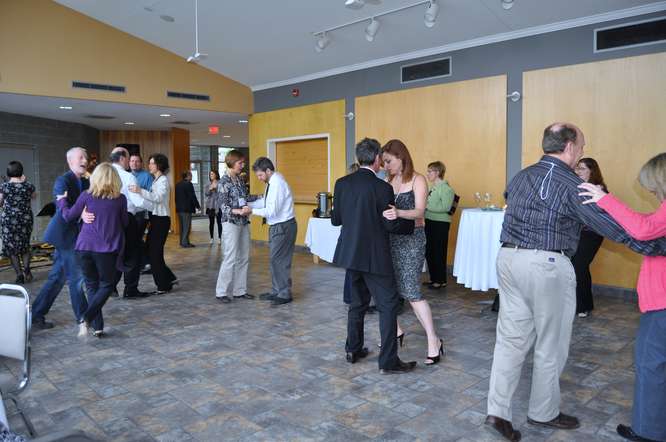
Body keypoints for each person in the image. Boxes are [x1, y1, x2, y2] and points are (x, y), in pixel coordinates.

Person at [485, 123, 666, 442]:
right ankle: (543, 412)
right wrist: (656, 247)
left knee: (510, 341)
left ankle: (497, 412)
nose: (582, 151)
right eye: (581, 145)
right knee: (550, 343)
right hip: (546, 265)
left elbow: (508, 198)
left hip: (508, 260)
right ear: (568, 146)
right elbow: (611, 227)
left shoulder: (522, 176)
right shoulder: (572, 184)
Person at [579, 153, 666, 442]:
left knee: (650, 365)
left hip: (662, 303)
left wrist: (605, 201)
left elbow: (643, 230)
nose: (650, 191)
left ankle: (648, 431)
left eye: (651, 185)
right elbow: (647, 223)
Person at [332, 137, 416, 374]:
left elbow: (336, 220)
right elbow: (390, 224)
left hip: (350, 254)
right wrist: (411, 224)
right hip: (375, 256)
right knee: (388, 306)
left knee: (357, 303)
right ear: (377, 159)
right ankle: (388, 361)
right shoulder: (382, 188)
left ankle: (353, 349)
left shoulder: (341, 184)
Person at [381, 140, 444, 366]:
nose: (386, 165)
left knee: (412, 292)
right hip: (390, 240)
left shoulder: (418, 180)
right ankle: (395, 331)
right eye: (384, 162)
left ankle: (433, 340)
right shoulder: (388, 181)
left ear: (401, 158)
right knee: (386, 289)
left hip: (412, 241)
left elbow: (419, 211)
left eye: (389, 161)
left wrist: (398, 212)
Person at [57, 163, 128, 338]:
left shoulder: (86, 196)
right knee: (108, 285)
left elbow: (68, 216)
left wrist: (62, 201)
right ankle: (87, 318)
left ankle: (97, 327)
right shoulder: (120, 199)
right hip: (105, 248)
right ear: (115, 179)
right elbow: (124, 223)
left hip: (84, 248)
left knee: (92, 286)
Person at [31, 147, 90, 330]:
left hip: (76, 236)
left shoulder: (87, 182)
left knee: (57, 278)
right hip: (65, 236)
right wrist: (82, 213)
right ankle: (84, 318)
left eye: (86, 157)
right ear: (70, 161)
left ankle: (36, 314)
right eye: (81, 157)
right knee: (76, 277)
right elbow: (66, 213)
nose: (85, 160)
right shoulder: (62, 181)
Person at [103, 147, 152, 299]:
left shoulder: (102, 175)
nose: (129, 162)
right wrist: (153, 206)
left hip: (107, 220)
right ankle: (130, 289)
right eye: (128, 158)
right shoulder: (128, 176)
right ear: (123, 158)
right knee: (132, 254)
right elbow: (137, 201)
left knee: (114, 253)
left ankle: (110, 287)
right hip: (126, 218)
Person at [249, 157, 297, 306]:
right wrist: (249, 204)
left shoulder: (277, 184)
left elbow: (272, 211)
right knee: (275, 260)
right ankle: (277, 290)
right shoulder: (272, 182)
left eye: (260, 175)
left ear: (268, 171)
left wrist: (251, 211)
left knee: (279, 260)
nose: (259, 178)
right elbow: (265, 202)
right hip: (279, 226)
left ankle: (284, 293)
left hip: (283, 226)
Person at [129, 153, 176, 294]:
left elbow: (158, 198)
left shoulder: (163, 180)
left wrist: (140, 191)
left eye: (152, 163)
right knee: (152, 252)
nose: (149, 165)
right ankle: (168, 279)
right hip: (156, 219)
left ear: (159, 165)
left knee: (154, 254)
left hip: (161, 220)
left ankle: (163, 285)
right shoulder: (156, 180)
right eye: (149, 163)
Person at [215, 150, 255, 303]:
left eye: (243, 163)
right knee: (230, 258)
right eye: (240, 163)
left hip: (243, 222)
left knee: (243, 257)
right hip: (230, 223)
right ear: (231, 163)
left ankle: (240, 291)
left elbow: (245, 197)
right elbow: (223, 206)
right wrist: (238, 211)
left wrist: (262, 197)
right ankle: (221, 292)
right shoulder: (223, 182)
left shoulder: (239, 180)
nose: (242, 165)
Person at [572, 158, 608, 317]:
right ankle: (584, 304)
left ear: (592, 171)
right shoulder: (576, 187)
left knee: (579, 265)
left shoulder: (598, 190)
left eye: (582, 168)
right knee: (579, 266)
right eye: (577, 168)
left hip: (592, 234)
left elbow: (599, 215)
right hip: (577, 233)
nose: (578, 171)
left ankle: (582, 306)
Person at [0, 161, 36, 283]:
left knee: (11, 248)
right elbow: (34, 196)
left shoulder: (4, 186)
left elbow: (0, 203)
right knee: (25, 245)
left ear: (8, 173)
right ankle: (27, 270)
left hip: (9, 221)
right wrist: (24, 182)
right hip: (25, 219)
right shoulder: (29, 185)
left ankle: (19, 275)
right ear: (21, 172)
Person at [423, 160, 455, 290]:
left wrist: (426, 207)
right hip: (429, 221)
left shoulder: (446, 188)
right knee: (429, 251)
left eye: (430, 171)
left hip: (440, 223)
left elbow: (446, 207)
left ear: (437, 172)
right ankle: (433, 278)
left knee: (438, 251)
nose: (427, 174)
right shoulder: (433, 187)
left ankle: (440, 280)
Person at [129, 153, 153, 273]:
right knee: (134, 238)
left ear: (141, 163)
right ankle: (142, 263)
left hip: (142, 212)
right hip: (130, 212)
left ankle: (146, 262)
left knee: (137, 238)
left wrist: (139, 191)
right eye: (132, 161)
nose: (134, 163)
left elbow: (150, 194)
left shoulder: (146, 176)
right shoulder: (127, 175)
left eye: (137, 161)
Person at [175, 171, 200, 248]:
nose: (191, 177)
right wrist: (197, 206)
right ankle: (185, 243)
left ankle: (182, 242)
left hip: (179, 209)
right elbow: (192, 196)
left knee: (182, 227)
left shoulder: (177, 185)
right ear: (187, 176)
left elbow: (176, 197)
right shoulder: (189, 184)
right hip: (186, 209)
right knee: (187, 227)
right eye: (190, 175)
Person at [204, 170, 222, 245]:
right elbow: (206, 194)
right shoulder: (208, 184)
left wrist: (216, 189)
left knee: (219, 222)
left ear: (216, 175)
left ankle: (219, 238)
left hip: (218, 205)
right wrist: (210, 189)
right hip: (210, 205)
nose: (211, 175)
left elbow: (222, 193)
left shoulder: (220, 183)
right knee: (211, 222)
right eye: (210, 174)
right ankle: (211, 238)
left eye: (212, 174)